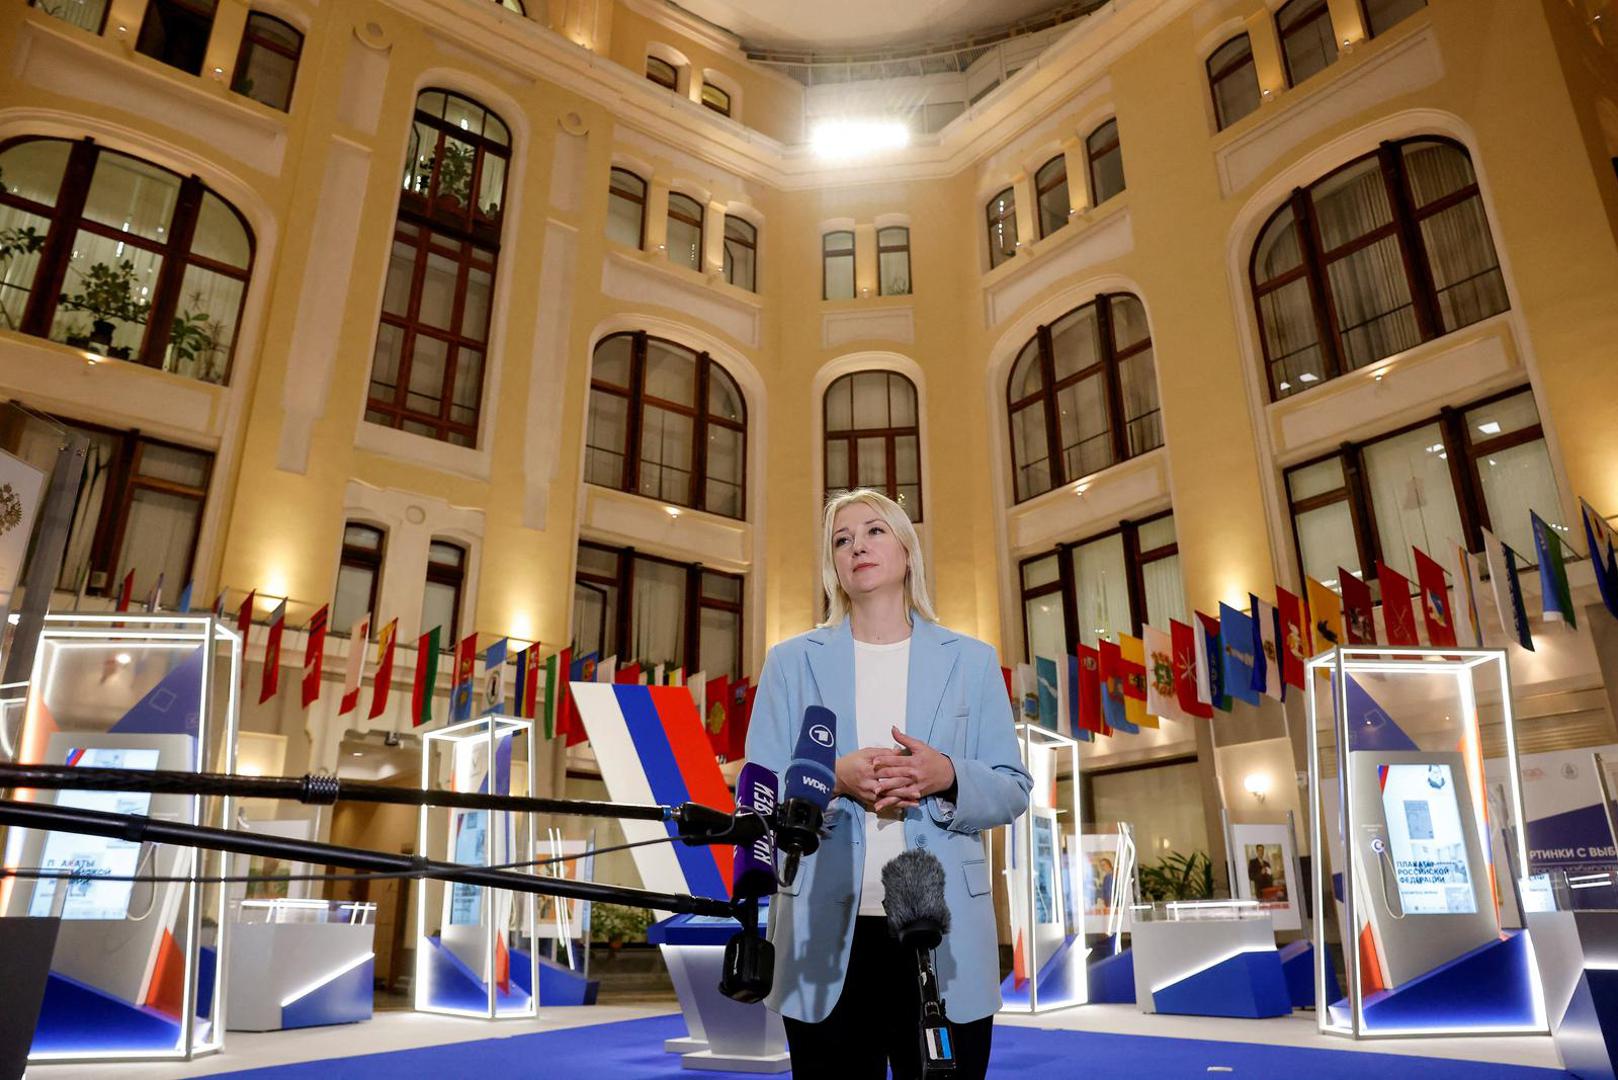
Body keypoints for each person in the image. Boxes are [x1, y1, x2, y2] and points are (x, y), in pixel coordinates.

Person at [745, 489, 1032, 1079]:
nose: (858, 546)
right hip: (825, 933)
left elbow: (1012, 787)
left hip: (943, 931)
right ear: (834, 567)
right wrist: (830, 781)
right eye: (842, 540)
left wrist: (947, 776)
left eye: (873, 531)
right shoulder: (791, 662)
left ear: (906, 550)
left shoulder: (972, 661)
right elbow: (760, 789)